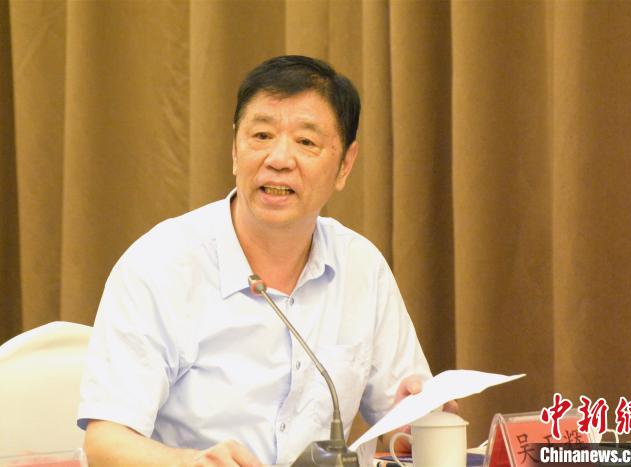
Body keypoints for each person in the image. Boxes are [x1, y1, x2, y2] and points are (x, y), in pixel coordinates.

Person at [78, 55, 442, 467]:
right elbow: (105, 442)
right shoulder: (160, 265)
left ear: (345, 165)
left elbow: (402, 425)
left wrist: (421, 426)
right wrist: (191, 463)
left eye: (306, 142)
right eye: (262, 135)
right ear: (235, 150)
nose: (279, 159)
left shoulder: (362, 268)